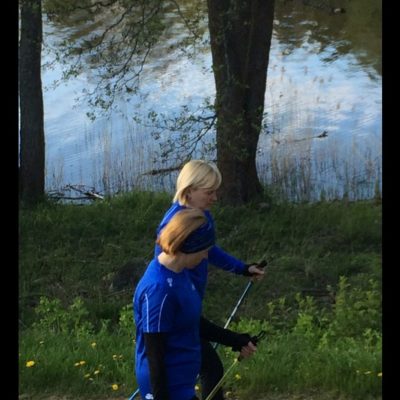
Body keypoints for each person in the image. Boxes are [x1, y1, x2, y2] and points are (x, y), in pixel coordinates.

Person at [154, 159, 265, 400]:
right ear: (189, 191)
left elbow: (209, 249)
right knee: (210, 367)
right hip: (178, 313)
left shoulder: (202, 216)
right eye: (209, 192)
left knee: (208, 367)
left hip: (189, 305)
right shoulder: (175, 226)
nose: (215, 197)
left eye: (216, 191)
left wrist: (242, 268)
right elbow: (164, 277)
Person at [133, 208, 214, 400]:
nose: (206, 256)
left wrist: (237, 340)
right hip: (167, 387)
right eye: (204, 250)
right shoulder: (158, 289)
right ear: (189, 246)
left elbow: (191, 320)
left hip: (182, 384)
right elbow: (155, 354)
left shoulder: (180, 273)